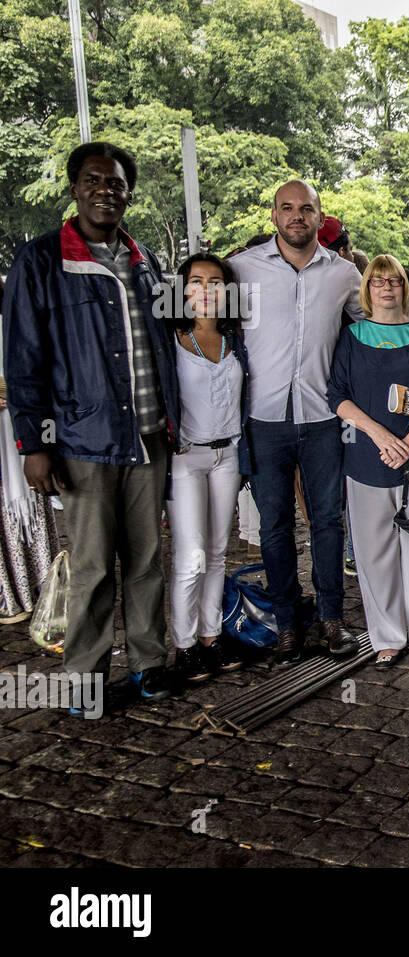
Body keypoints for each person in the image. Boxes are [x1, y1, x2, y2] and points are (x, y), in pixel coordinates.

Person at [3, 141, 180, 703]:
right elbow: (24, 358)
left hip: (149, 436)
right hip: (83, 440)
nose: (106, 191)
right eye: (95, 181)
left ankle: (150, 663)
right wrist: (34, 441)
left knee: (148, 562)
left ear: (130, 193)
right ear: (76, 188)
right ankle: (85, 680)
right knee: (92, 566)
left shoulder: (145, 259)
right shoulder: (41, 261)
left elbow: (165, 347)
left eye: (117, 183)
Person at [228, 179, 365, 665]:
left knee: (328, 521)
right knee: (275, 526)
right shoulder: (240, 270)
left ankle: (332, 619)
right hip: (263, 418)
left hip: (324, 416)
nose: (297, 217)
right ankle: (286, 623)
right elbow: (204, 329)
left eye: (306, 209)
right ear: (274, 215)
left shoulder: (345, 273)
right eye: (287, 208)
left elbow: (374, 324)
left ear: (318, 215)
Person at [328, 255, 409, 666]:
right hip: (365, 456)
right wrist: (381, 435)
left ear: (405, 287)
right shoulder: (351, 336)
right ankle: (386, 636)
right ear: (367, 288)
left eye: (394, 280)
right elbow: (338, 395)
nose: (386, 287)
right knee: (373, 553)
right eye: (377, 281)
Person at [165, 253, 252, 682]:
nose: (206, 289)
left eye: (215, 282)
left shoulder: (237, 339)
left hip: (228, 455)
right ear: (182, 290)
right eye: (196, 281)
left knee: (218, 552)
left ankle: (209, 638)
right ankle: (182, 646)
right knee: (191, 556)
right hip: (186, 457)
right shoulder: (170, 340)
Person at [0, 281, 61, 626]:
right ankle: (10, 596)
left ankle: (42, 588)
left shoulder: (20, 324)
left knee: (33, 508)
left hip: (23, 430)